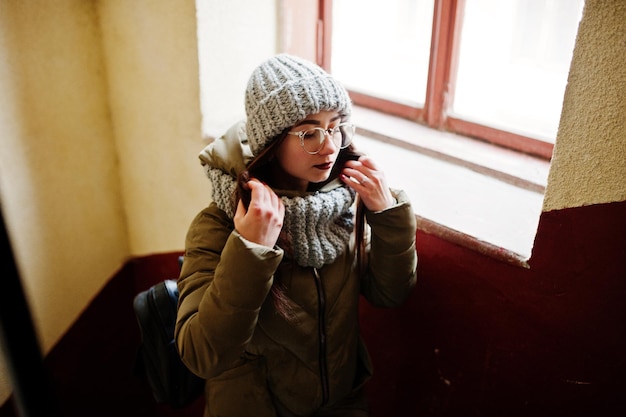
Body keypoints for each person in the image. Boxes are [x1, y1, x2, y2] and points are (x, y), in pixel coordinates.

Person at [175, 53, 417, 417]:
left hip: (340, 404)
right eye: (309, 132)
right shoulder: (220, 224)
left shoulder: (340, 205)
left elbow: (389, 293)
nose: (330, 145)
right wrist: (250, 250)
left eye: (334, 126)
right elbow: (202, 355)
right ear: (271, 143)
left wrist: (387, 215)